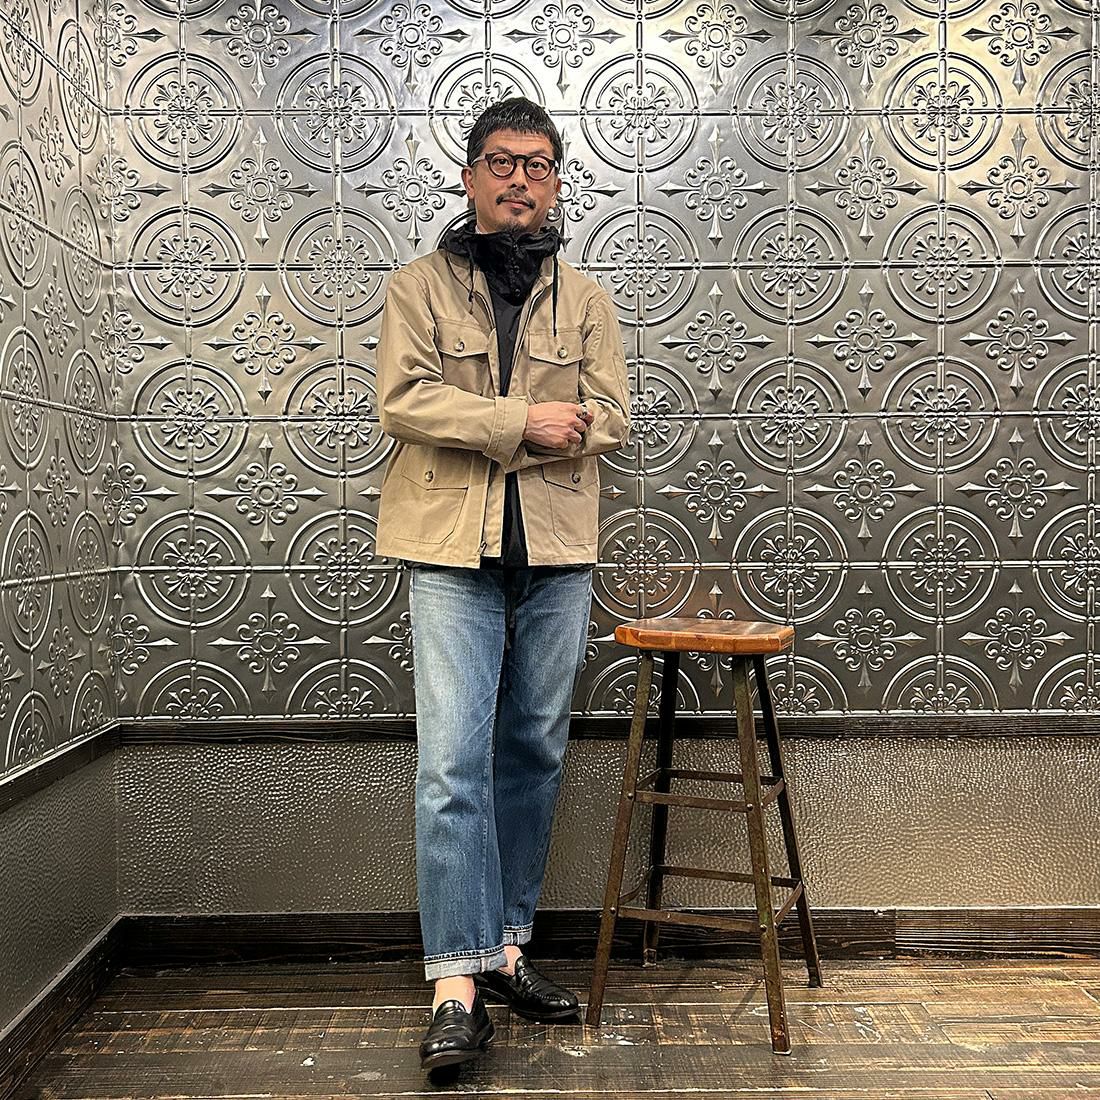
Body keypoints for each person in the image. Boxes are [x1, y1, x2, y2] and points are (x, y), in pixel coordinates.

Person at [375, 97, 631, 1076]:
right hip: (449, 548)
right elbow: (403, 401)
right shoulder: (417, 286)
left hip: (557, 548)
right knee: (451, 763)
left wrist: (573, 422)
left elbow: (611, 415)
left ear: (556, 181)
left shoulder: (587, 299)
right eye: (500, 161)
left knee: (531, 748)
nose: (519, 178)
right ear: (470, 176)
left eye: (537, 164)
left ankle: (508, 947)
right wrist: (524, 420)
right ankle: (455, 983)